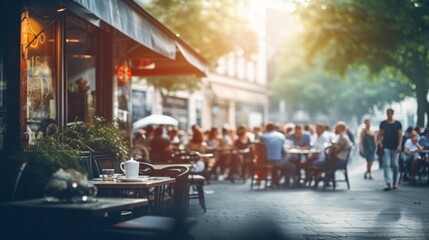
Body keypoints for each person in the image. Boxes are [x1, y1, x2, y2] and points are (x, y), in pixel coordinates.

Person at [260, 123, 296, 188]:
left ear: (266, 129)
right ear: (274, 128)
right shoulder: (281, 136)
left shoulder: (263, 136)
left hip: (265, 161)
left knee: (283, 163)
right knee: (292, 166)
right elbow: (283, 149)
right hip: (277, 161)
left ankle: (275, 181)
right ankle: (286, 183)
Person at [377, 108, 403, 191]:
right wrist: (380, 142)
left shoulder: (398, 124)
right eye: (387, 113)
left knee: (395, 165)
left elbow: (400, 136)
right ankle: (388, 183)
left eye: (390, 113)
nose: (389, 114)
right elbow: (380, 134)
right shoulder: (383, 123)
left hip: (395, 147)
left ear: (393, 114)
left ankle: (395, 182)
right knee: (386, 164)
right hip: (386, 147)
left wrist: (399, 145)